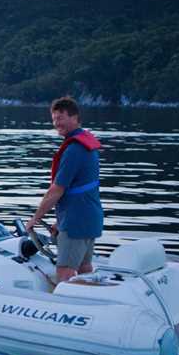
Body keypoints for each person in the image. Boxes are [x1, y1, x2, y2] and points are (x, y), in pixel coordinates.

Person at [25, 96, 103, 283]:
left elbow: (57, 190)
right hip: (89, 217)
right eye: (54, 119)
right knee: (84, 268)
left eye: (61, 118)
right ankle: (90, 302)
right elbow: (78, 189)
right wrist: (60, 222)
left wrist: (35, 218)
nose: (56, 123)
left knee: (65, 273)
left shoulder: (74, 150)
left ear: (75, 117)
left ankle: (70, 309)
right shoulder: (85, 144)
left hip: (76, 222)